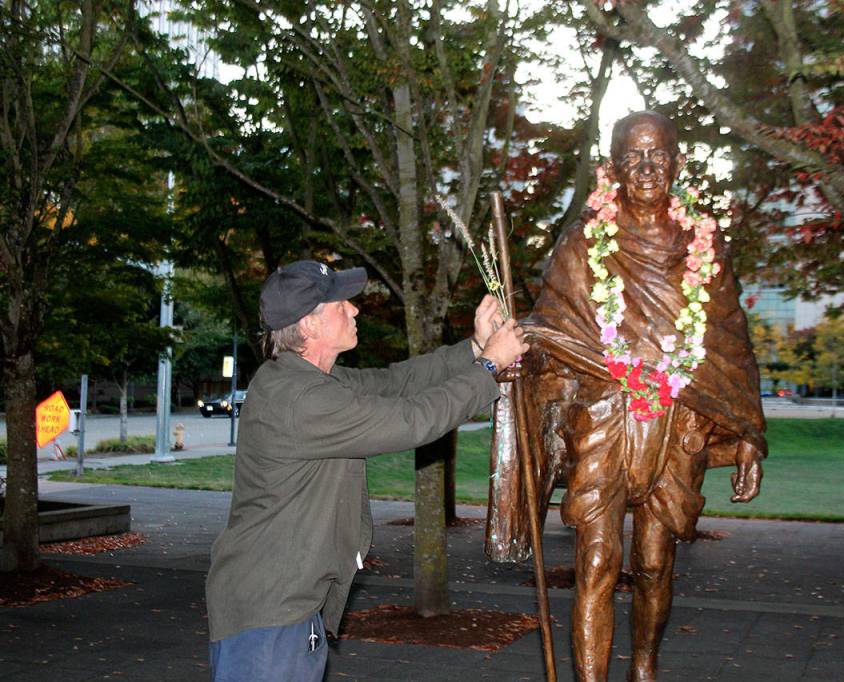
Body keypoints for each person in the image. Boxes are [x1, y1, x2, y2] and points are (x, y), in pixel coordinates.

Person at [485, 111, 767, 681]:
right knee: (596, 562)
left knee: (655, 565)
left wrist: (749, 436)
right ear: (612, 169)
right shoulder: (582, 245)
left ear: (678, 163)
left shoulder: (703, 249)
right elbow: (554, 329)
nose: (645, 168)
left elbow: (731, 343)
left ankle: (644, 668)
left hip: (678, 421)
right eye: (632, 157)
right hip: (604, 418)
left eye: (657, 155)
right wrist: (521, 350)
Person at [206, 259, 528, 681]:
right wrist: (489, 365)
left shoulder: (312, 381)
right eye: (342, 304)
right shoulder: (301, 400)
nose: (355, 310)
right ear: (310, 325)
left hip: (283, 606)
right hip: (269, 615)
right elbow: (413, 420)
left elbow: (399, 383)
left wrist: (473, 347)